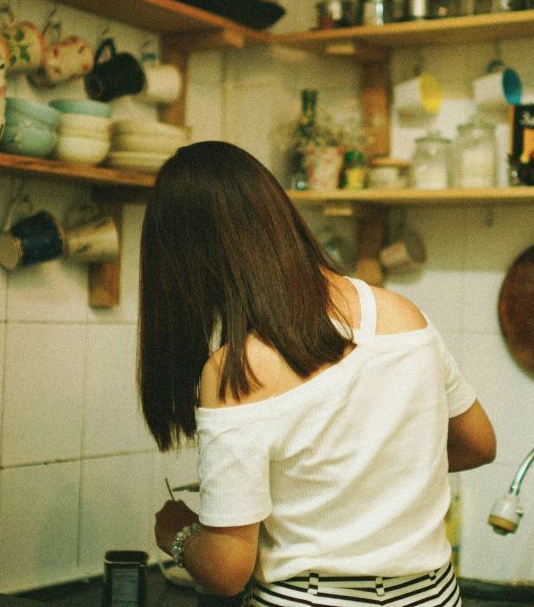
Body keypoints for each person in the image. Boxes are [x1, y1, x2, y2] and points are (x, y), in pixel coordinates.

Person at [139, 141, 496, 605]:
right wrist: (374, 479)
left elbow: (228, 569)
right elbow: (478, 442)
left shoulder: (237, 370)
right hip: (431, 596)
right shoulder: (404, 316)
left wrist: (179, 535)